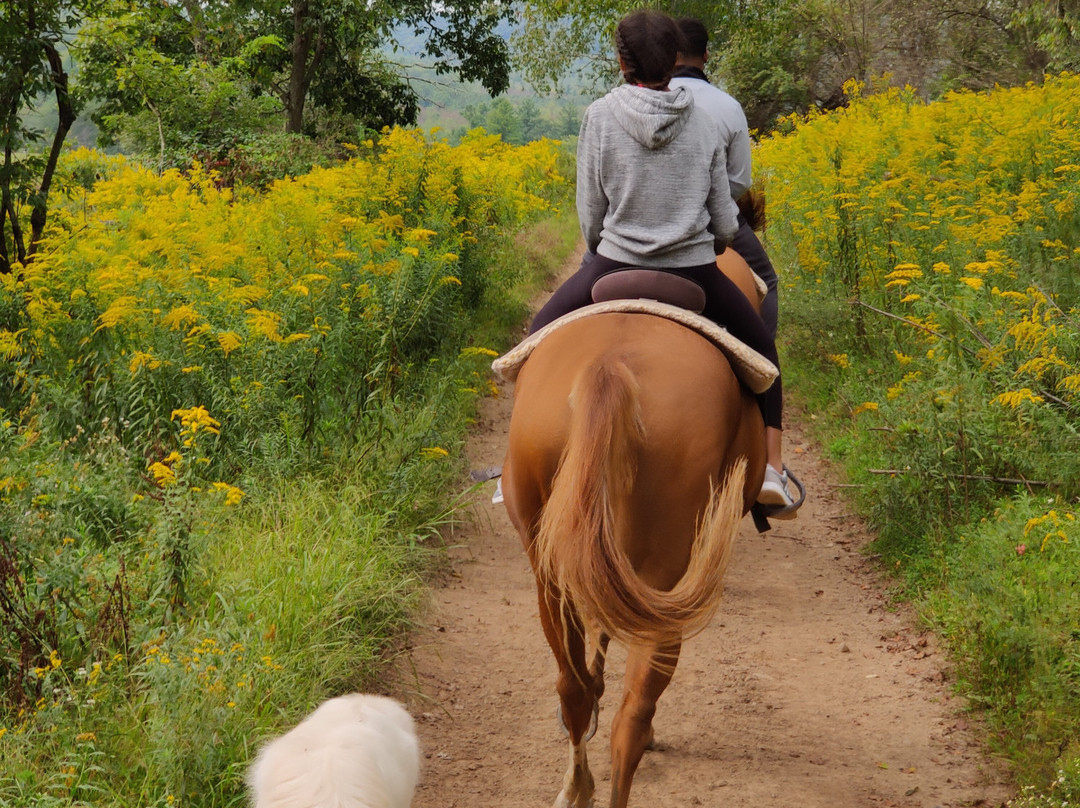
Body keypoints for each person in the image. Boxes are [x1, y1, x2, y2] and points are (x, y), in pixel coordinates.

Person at [527, 9, 796, 512]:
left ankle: (518, 470)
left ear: (621, 60)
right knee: (764, 358)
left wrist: (598, 251)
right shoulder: (703, 118)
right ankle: (774, 472)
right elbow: (722, 216)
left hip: (612, 266)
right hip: (693, 273)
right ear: (675, 59)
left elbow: (590, 211)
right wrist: (711, 242)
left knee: (536, 338)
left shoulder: (599, 116)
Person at [669, 16, 799, 514]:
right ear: (705, 54)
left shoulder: (616, 107)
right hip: (705, 229)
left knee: (548, 325)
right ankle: (771, 465)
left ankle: (516, 459)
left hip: (622, 241)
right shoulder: (722, 107)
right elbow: (736, 186)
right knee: (766, 285)